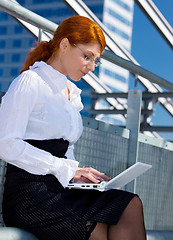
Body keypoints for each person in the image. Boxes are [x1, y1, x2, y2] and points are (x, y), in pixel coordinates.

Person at [0, 16, 146, 240]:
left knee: (130, 204)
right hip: (30, 195)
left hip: (63, 189)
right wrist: (64, 169)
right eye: (87, 56)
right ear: (64, 44)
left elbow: (66, 152)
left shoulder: (71, 94)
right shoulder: (30, 81)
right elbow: (6, 144)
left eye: (96, 60)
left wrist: (80, 177)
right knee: (99, 229)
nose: (92, 67)